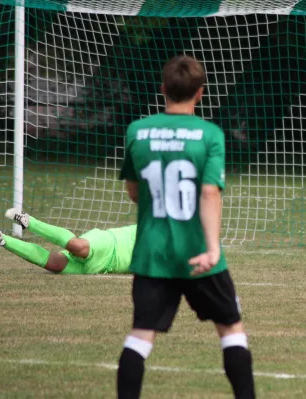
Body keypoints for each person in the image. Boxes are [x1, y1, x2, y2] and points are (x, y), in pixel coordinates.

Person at [116, 55, 255, 399]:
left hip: (154, 253)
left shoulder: (138, 131)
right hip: (199, 253)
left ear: (163, 89)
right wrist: (211, 248)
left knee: (140, 336)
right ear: (200, 93)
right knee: (231, 331)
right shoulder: (209, 134)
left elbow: (135, 192)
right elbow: (209, 193)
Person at [0, 208, 135, 275]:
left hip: (102, 267)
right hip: (110, 245)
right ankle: (29, 221)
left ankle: (1, 238)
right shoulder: (151, 229)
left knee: (55, 264)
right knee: (78, 246)